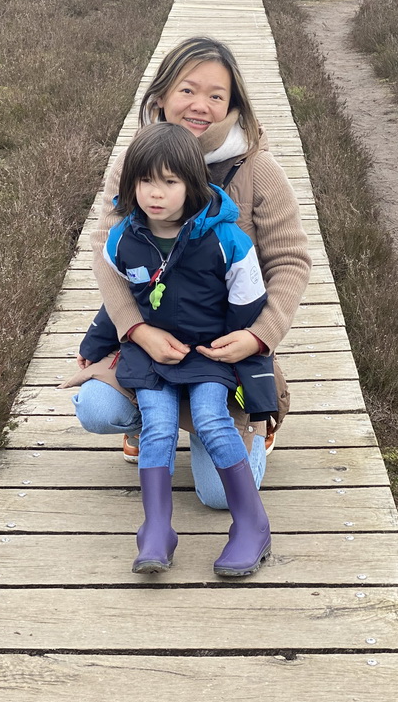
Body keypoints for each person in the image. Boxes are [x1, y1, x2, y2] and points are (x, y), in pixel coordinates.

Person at [61, 36, 311, 510]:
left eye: (217, 96)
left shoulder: (260, 170)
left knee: (219, 498)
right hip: (153, 337)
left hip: (223, 350)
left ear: (234, 105)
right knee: (96, 409)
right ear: (160, 97)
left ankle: (258, 419)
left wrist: (261, 336)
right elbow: (106, 253)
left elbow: (291, 261)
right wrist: (134, 329)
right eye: (187, 90)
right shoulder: (135, 162)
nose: (201, 106)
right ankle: (148, 424)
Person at [78, 122, 278, 575]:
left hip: (208, 356)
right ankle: (156, 528)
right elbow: (120, 299)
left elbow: (249, 299)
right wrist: (95, 346)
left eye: (170, 181)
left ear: (193, 185)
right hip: (151, 355)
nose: (156, 193)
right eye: (146, 180)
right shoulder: (125, 238)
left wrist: (242, 345)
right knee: (159, 426)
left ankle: (252, 525)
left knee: (211, 418)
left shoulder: (226, 240)